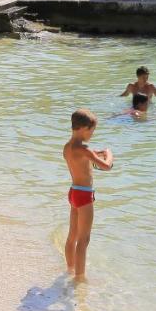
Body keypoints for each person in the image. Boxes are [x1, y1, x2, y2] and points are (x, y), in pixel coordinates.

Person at [62, 109, 113, 280]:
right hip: (84, 196)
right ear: (84, 128)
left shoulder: (68, 147)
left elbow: (83, 156)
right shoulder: (85, 150)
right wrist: (108, 153)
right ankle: (79, 278)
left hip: (73, 192)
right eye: (92, 130)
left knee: (72, 236)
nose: (92, 134)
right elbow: (106, 166)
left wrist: (94, 153)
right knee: (84, 240)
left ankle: (69, 269)